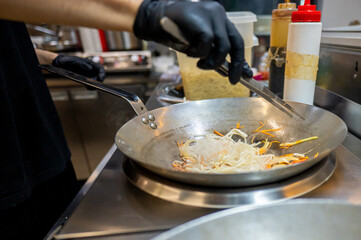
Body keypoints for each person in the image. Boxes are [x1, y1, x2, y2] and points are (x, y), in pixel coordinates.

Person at [0, 0, 253, 239]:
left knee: (62, 224)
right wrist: (148, 12)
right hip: (4, 177)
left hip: (42, 143)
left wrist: (47, 58)